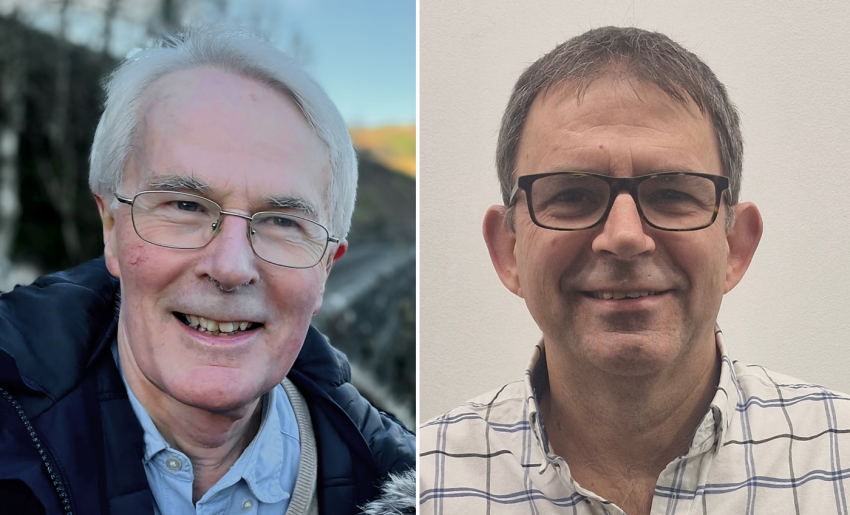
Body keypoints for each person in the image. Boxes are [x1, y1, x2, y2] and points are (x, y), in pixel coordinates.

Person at [419, 26, 850, 514]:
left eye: (672, 194)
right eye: (573, 195)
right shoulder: (427, 480)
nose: (624, 236)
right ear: (508, 249)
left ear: (735, 244)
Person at [0, 25, 414, 515]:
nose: (231, 267)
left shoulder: (416, 490)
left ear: (326, 266)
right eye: (185, 206)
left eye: (282, 221)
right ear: (111, 226)